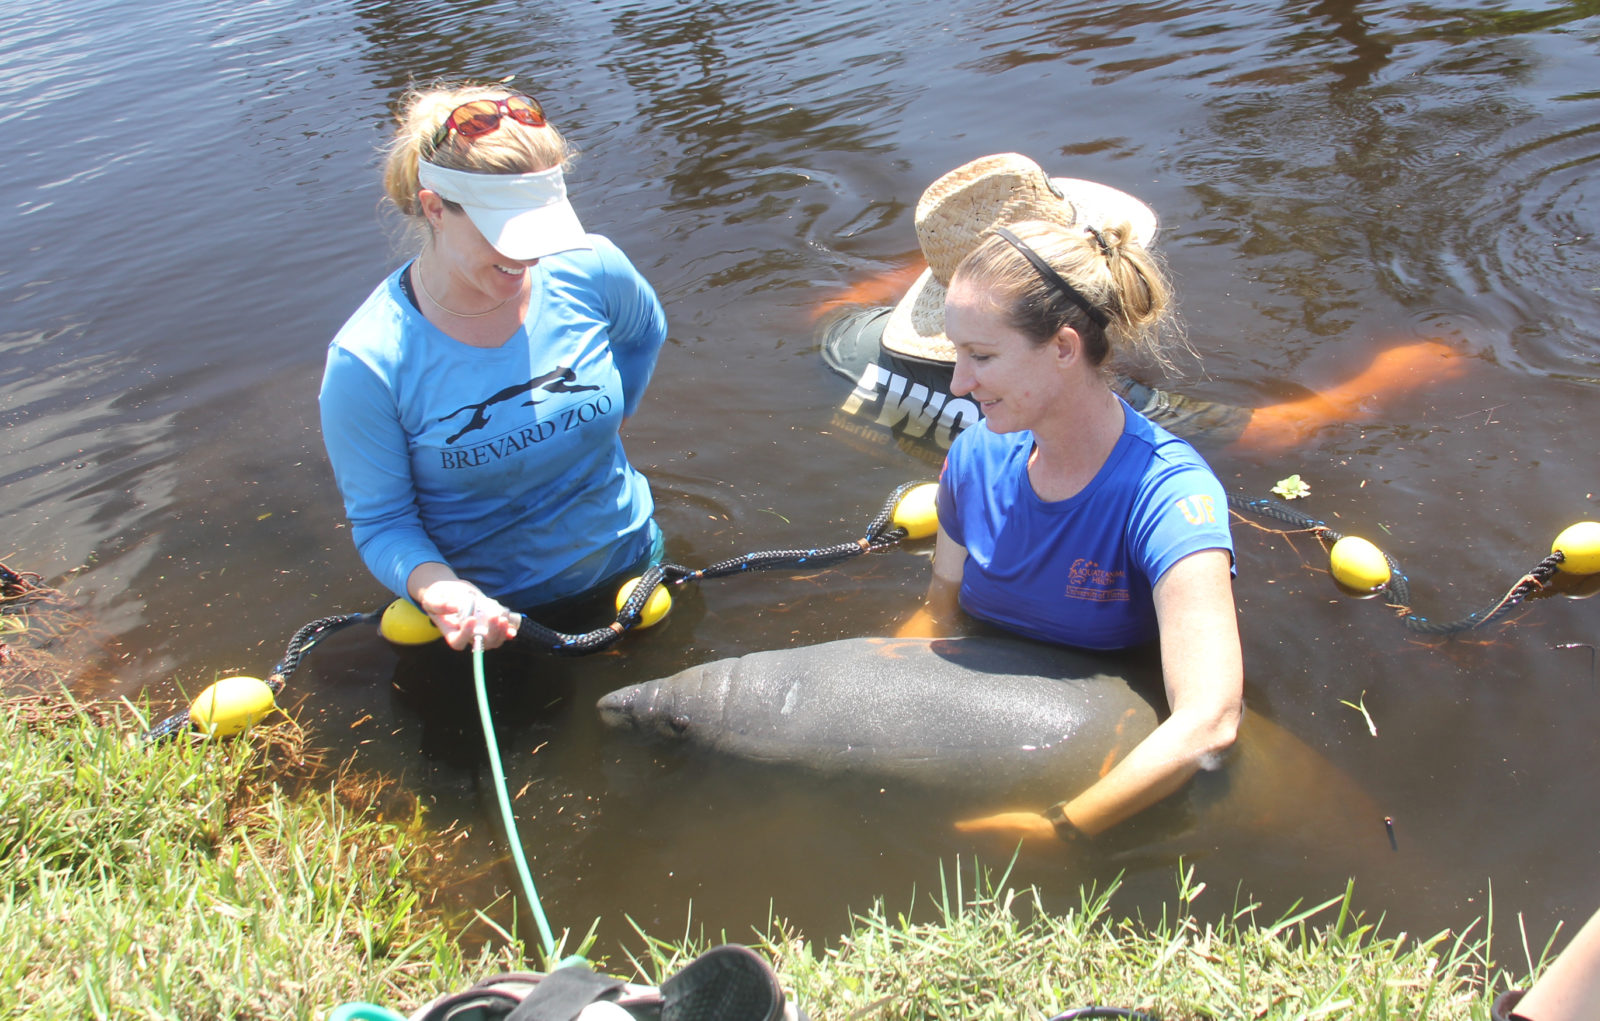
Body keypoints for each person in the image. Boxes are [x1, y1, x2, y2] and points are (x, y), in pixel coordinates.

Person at [892, 155, 1243, 844]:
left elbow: (1211, 718)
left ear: (1062, 347)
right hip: (997, 743)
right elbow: (940, 606)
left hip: (1110, 772)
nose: (958, 384)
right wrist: (884, 671)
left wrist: (1066, 828)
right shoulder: (973, 456)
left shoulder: (1169, 495)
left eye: (982, 357)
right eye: (956, 354)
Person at [817, 156, 1465, 467]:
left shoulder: (849, 342)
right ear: (1067, 339)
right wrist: (1402, 372)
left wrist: (932, 269)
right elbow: (1281, 429)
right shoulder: (1100, 404)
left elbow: (831, 307)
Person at [319, 82, 668, 652]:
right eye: (508, 235)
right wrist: (443, 592)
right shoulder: (369, 362)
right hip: (494, 626)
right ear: (435, 208)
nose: (530, 256)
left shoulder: (590, 268)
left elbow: (644, 334)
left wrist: (608, 415)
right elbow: (383, 524)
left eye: (543, 229)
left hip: (635, 570)